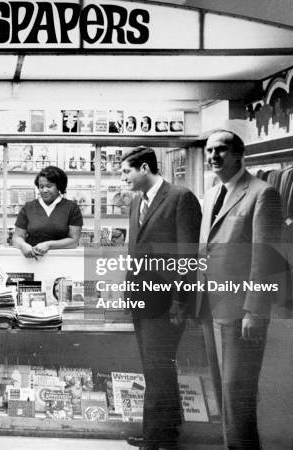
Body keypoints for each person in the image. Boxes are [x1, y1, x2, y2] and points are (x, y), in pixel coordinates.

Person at [199, 130, 282, 450]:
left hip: (240, 312)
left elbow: (267, 256)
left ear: (238, 154)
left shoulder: (262, 193)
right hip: (210, 306)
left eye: (221, 150)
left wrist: (255, 311)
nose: (213, 156)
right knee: (222, 395)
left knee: (238, 395)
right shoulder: (211, 195)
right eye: (209, 151)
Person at [119, 146, 201, 450]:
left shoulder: (181, 197)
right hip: (141, 298)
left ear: (144, 168)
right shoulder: (137, 201)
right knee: (154, 368)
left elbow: (187, 253)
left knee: (158, 367)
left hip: (167, 302)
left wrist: (181, 300)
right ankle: (161, 432)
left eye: (126, 171)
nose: (123, 178)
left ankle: (159, 439)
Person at [12, 166, 83, 258]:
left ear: (59, 186)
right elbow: (17, 237)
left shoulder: (72, 208)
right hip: (33, 261)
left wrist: (49, 245)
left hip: (63, 260)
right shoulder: (28, 207)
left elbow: (73, 241)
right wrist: (22, 245)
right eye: (41, 187)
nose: (44, 190)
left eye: (49, 186)